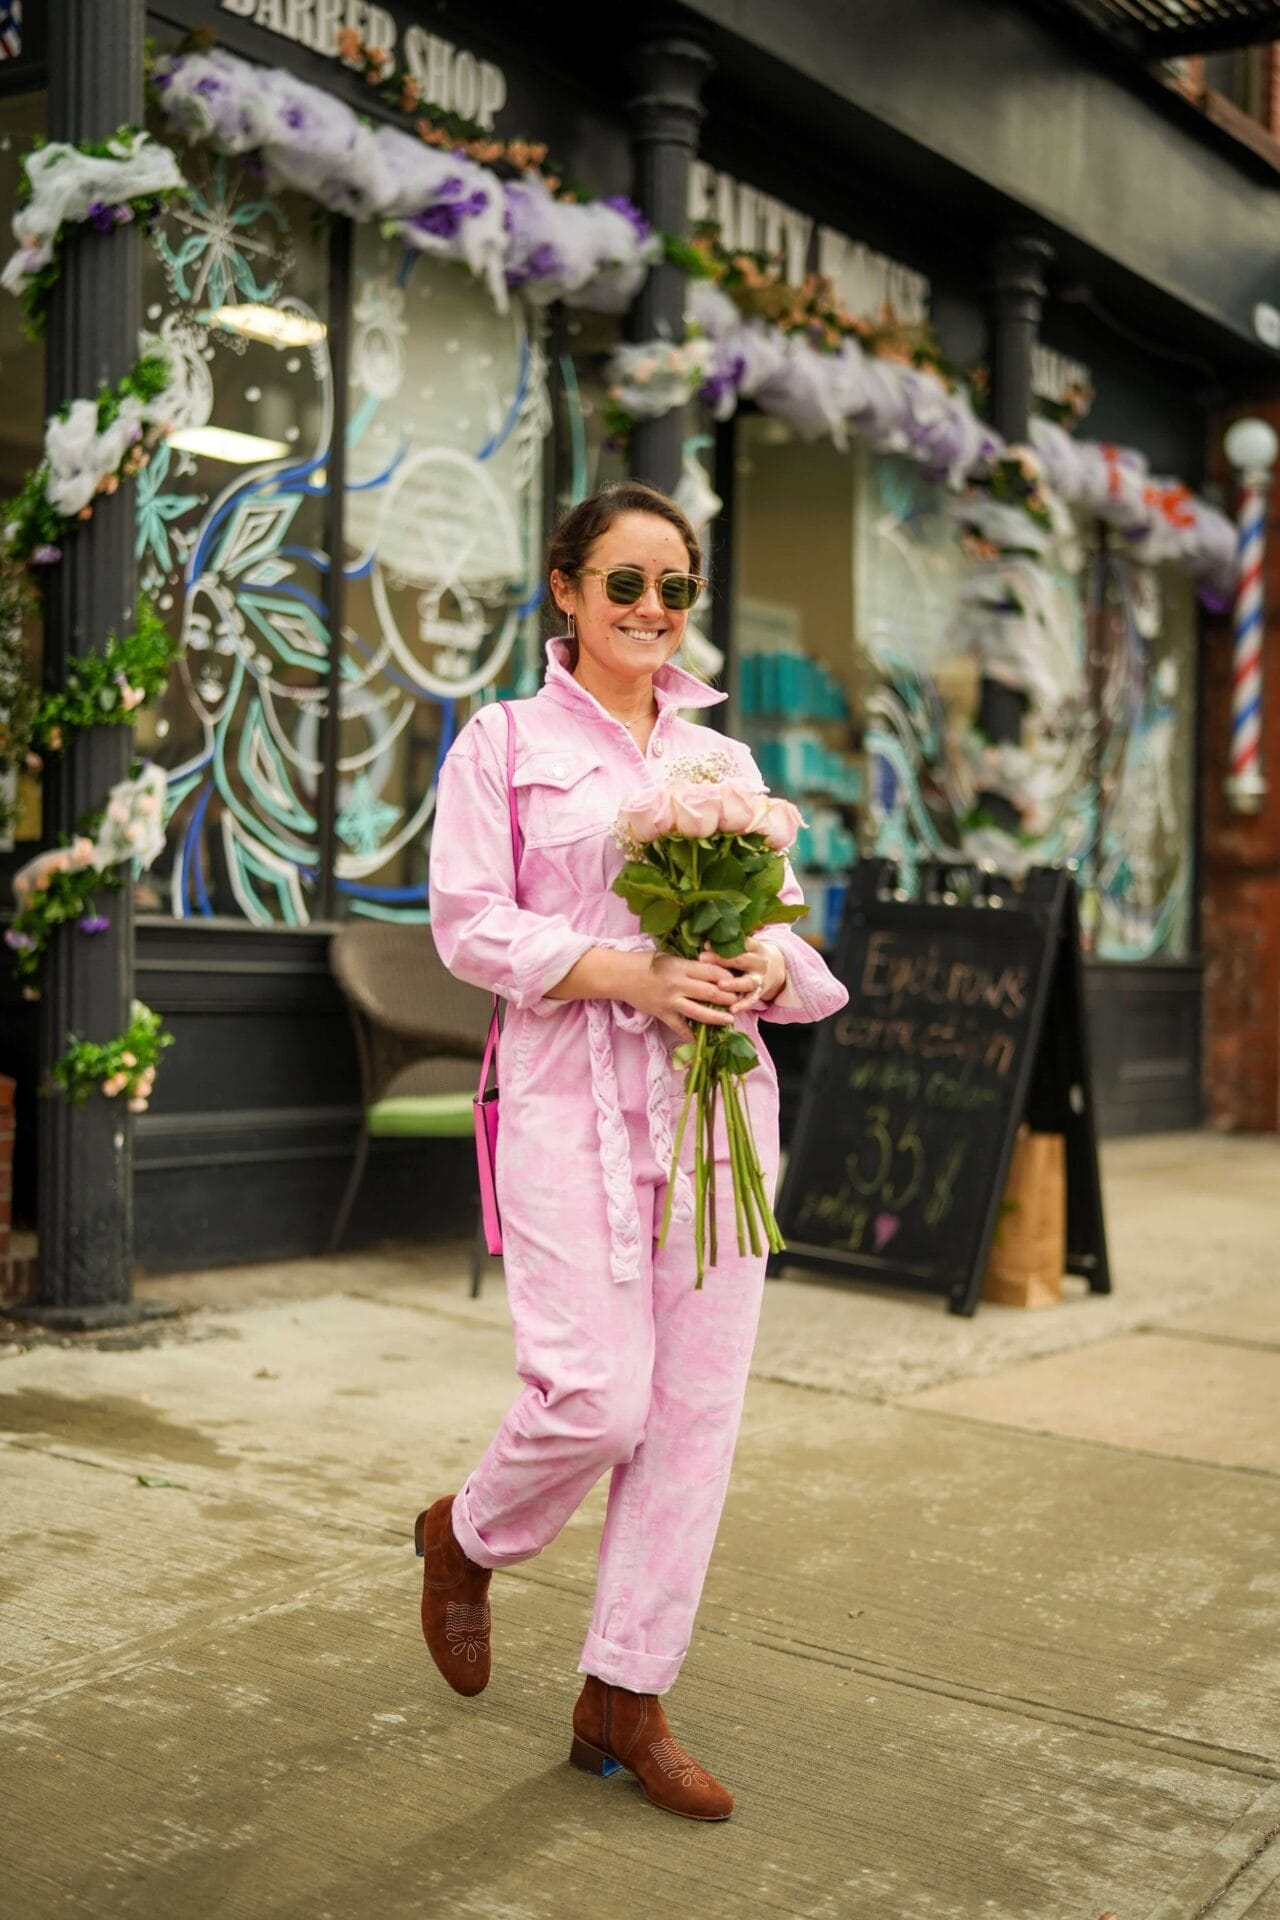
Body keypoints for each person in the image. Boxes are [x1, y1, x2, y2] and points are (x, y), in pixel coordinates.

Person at [421, 482, 848, 1821]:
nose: (654, 611)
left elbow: (796, 943)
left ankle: (625, 1698)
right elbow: (467, 926)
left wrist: (753, 967)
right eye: (626, 585)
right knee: (593, 1399)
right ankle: (466, 1533)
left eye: (675, 588)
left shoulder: (721, 766)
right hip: (565, 1104)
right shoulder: (501, 742)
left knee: (690, 1424)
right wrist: (625, 969)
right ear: (566, 591)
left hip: (719, 1111)